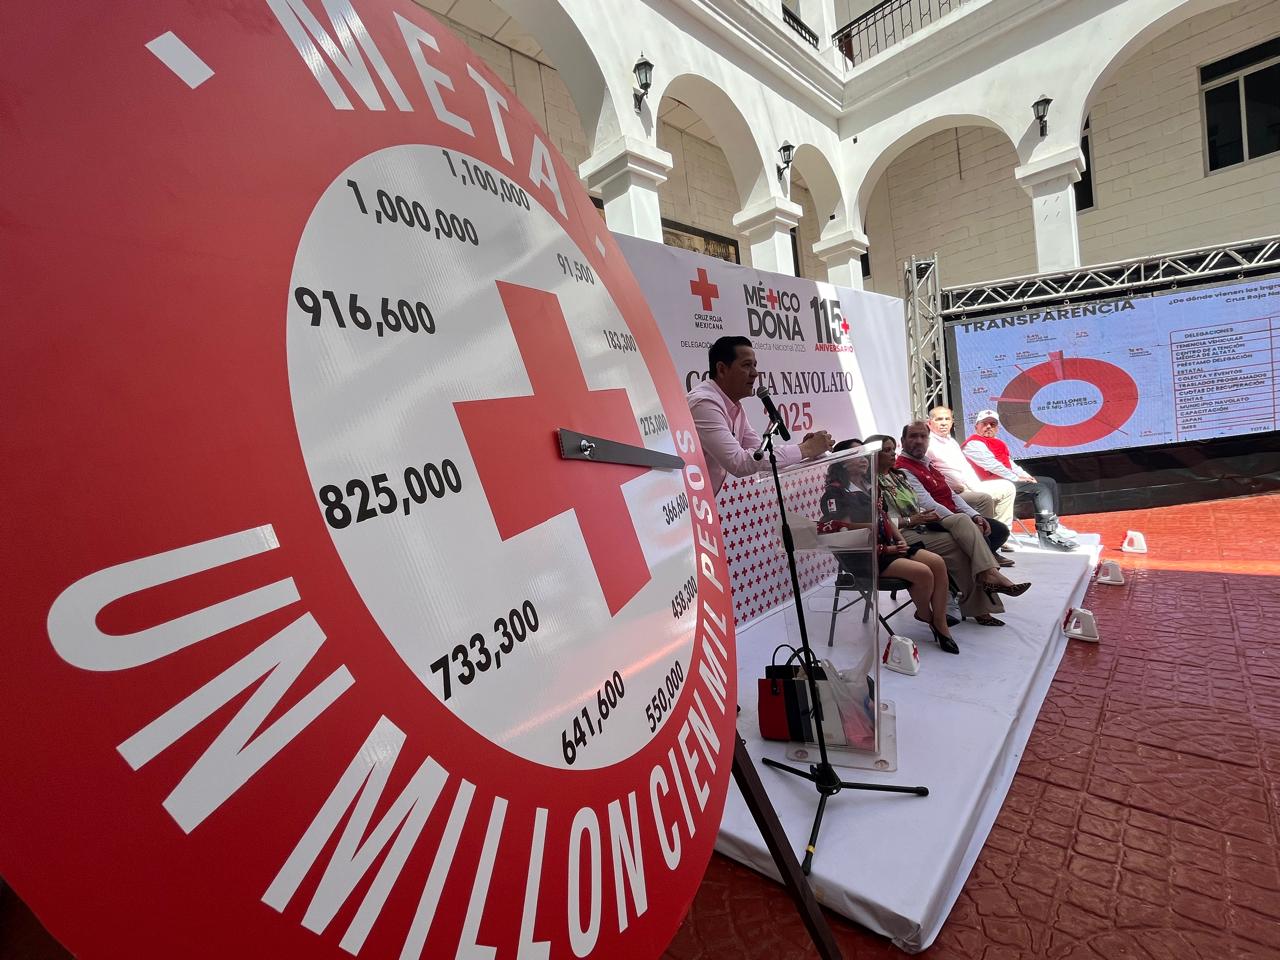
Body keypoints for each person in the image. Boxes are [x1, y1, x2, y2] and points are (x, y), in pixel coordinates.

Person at [866, 433, 1030, 628]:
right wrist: (912, 519)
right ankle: (986, 592)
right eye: (886, 450)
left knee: (963, 523)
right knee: (963, 545)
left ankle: (988, 577)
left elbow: (925, 501)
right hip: (899, 536)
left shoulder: (899, 475)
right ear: (873, 454)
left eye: (893, 449)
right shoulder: (870, 484)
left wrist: (927, 516)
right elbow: (876, 522)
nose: (893, 454)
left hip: (921, 525)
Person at [819, 440, 960, 653]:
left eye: (864, 454)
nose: (864, 459)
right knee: (923, 572)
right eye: (857, 455)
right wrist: (880, 535)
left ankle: (939, 621)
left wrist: (899, 538)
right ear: (843, 461)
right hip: (864, 554)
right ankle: (928, 617)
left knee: (937, 563)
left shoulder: (870, 484)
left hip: (887, 544)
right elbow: (846, 531)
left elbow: (883, 515)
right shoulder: (835, 493)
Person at [687, 336, 832, 494]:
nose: (755, 373)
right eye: (746, 365)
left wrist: (804, 450)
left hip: (701, 500)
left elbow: (761, 453)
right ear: (722, 369)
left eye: (754, 365)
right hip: (684, 501)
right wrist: (805, 449)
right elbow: (738, 462)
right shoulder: (704, 403)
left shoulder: (734, 405)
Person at [895, 420, 1013, 564]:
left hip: (953, 510)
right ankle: (987, 567)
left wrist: (975, 516)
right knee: (980, 533)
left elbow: (951, 494)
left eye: (923, 436)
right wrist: (963, 521)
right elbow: (927, 504)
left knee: (999, 530)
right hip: (935, 519)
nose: (919, 441)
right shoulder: (903, 468)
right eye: (913, 436)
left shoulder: (928, 463)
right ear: (903, 441)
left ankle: (982, 558)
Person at [962, 410, 1079, 551]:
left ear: (997, 428)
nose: (988, 427)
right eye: (984, 423)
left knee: (1049, 482)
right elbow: (993, 466)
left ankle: (1053, 524)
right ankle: (1047, 535)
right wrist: (1017, 478)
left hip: (1007, 480)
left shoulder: (997, 443)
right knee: (1040, 489)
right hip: (993, 484)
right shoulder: (973, 444)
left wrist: (1027, 476)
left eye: (992, 424)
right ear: (976, 426)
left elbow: (1010, 465)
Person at [925, 406, 1016, 535]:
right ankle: (987, 537)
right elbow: (927, 475)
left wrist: (975, 485)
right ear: (929, 423)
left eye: (947, 419)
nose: (944, 423)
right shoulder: (927, 444)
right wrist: (950, 487)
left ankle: (1002, 533)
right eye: (939, 419)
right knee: (984, 498)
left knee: (1007, 487)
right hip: (952, 492)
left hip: (971, 486)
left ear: (952, 422)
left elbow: (965, 468)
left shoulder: (952, 442)